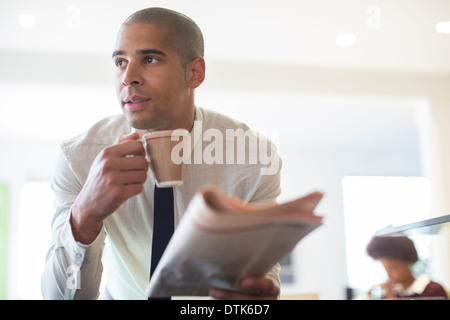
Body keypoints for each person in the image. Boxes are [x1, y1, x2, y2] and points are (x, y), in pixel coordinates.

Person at [41, 7, 282, 300]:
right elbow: (60, 297)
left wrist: (257, 295)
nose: (127, 77)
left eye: (150, 59)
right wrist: (84, 215)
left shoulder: (253, 158)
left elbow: (262, 277)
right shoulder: (78, 158)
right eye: (120, 62)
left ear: (195, 73)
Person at [366, 235, 448, 299]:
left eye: (393, 268)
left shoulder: (433, 290)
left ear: (408, 263)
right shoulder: (389, 294)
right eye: (385, 269)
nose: (389, 274)